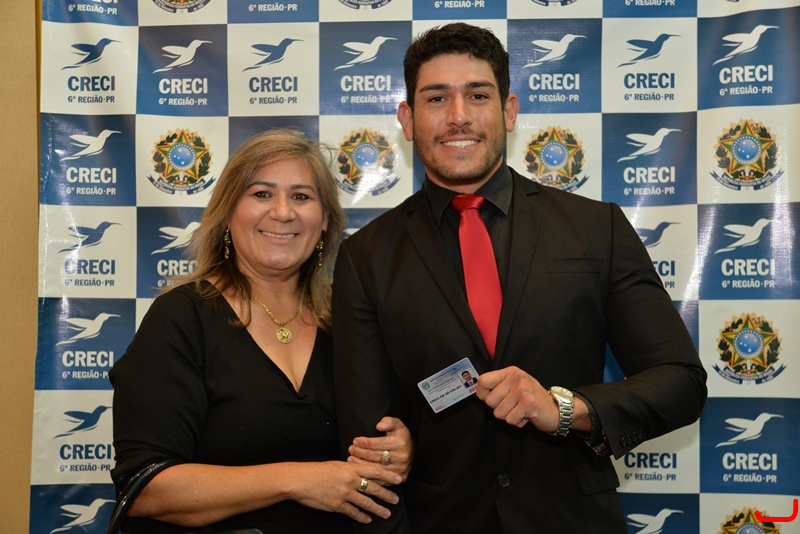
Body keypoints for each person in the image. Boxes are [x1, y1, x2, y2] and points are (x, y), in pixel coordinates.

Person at [332, 23, 707, 533]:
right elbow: (368, 438)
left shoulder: (595, 228)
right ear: (407, 118)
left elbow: (681, 382)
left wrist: (565, 408)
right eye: (437, 98)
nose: (458, 116)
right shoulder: (366, 256)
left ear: (509, 111)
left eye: (478, 95)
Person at [110, 129, 413, 534]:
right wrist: (296, 480)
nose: (283, 212)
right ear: (227, 213)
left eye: (301, 196)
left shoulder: (348, 321)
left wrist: (399, 449)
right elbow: (145, 489)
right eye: (262, 194)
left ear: (325, 222)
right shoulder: (182, 318)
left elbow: (387, 436)